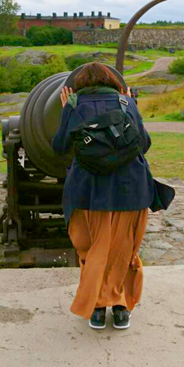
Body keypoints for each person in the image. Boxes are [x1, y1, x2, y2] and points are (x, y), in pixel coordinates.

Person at [51, 62, 154, 330]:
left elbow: (60, 146)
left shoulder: (74, 104)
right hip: (131, 187)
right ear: (112, 81)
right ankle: (120, 307)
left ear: (80, 84)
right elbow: (144, 144)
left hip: (90, 190)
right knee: (123, 249)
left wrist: (68, 112)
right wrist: (132, 107)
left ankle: (98, 308)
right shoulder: (126, 102)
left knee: (94, 248)